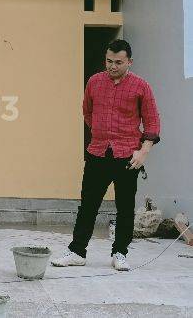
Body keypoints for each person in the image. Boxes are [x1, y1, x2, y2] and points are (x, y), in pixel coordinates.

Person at [51, 39, 160, 271]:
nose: (112, 66)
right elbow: (87, 112)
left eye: (118, 62)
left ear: (129, 62)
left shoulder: (141, 86)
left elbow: (152, 122)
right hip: (98, 153)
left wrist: (143, 152)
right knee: (88, 205)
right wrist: (102, 134)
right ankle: (77, 252)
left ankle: (120, 252)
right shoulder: (94, 82)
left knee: (125, 207)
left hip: (128, 157)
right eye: (109, 61)